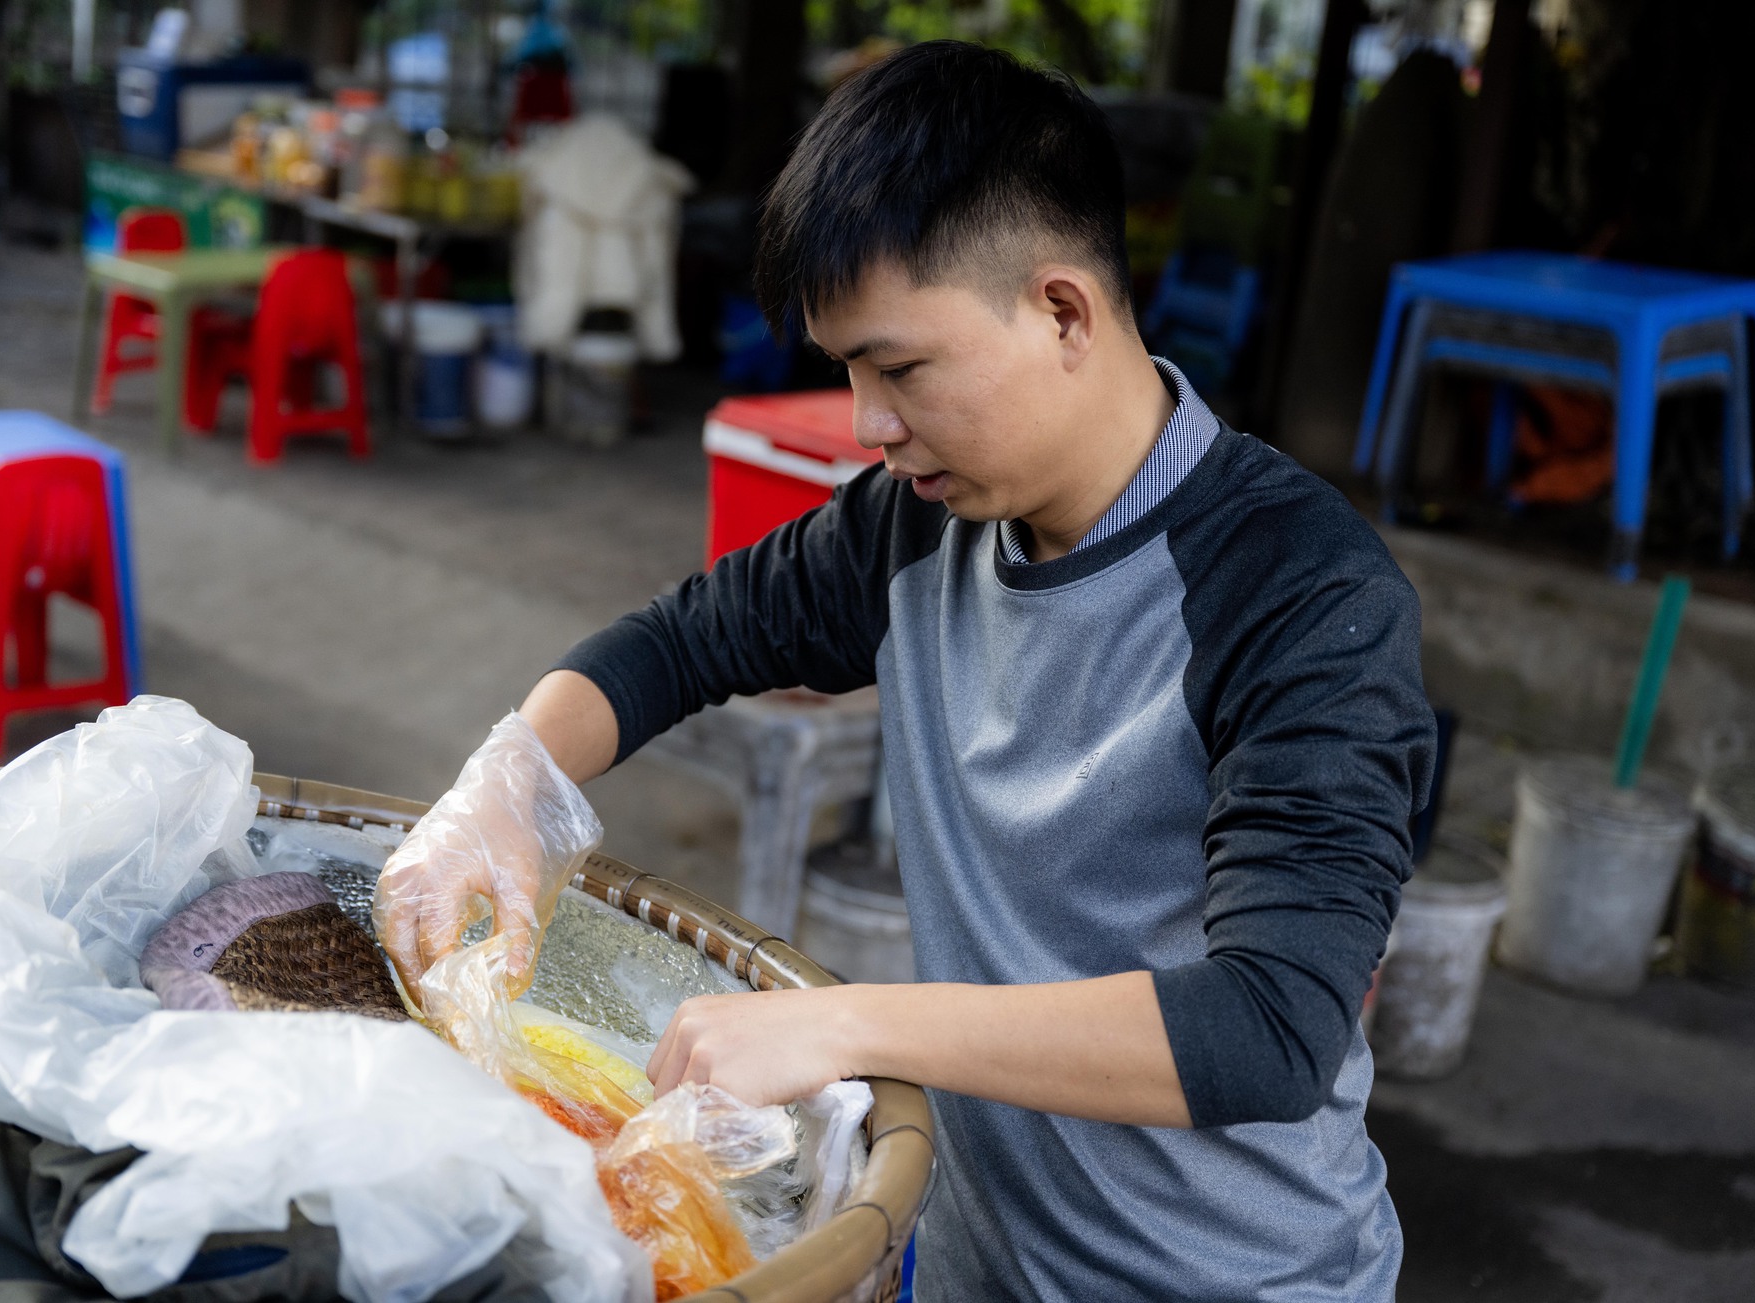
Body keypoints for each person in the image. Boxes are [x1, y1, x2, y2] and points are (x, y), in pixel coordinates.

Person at [376, 40, 1434, 1303]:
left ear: (1059, 312)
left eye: (900, 368)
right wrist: (505, 784)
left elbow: (1269, 1028)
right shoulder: (915, 524)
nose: (870, 423)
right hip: (971, 1267)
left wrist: (848, 1021)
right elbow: (681, 640)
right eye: (850, 374)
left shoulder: (1300, 592)